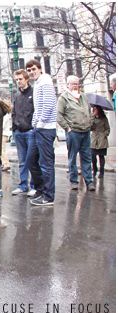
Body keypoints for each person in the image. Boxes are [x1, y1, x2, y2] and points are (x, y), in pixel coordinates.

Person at [26, 59, 57, 206]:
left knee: (46, 163)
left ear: (39, 69)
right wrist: (34, 124)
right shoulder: (37, 83)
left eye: (33, 69)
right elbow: (37, 107)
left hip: (46, 128)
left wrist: (40, 123)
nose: (31, 72)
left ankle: (49, 196)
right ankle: (40, 190)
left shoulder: (45, 81)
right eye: (29, 70)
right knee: (31, 160)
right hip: (38, 128)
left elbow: (49, 103)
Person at [57, 75, 96, 191]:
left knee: (87, 157)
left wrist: (89, 123)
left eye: (77, 83)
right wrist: (68, 128)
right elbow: (59, 115)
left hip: (85, 131)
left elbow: (89, 111)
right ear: (68, 84)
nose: (75, 86)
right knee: (72, 157)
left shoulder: (83, 96)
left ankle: (89, 182)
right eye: (73, 83)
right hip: (73, 132)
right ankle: (74, 181)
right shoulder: (64, 98)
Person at [10, 69, 38, 197]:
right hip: (19, 132)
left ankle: (34, 186)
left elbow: (36, 111)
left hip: (30, 131)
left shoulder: (34, 93)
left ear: (27, 79)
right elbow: (14, 112)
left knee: (32, 160)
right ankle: (23, 185)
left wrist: (33, 127)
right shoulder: (17, 95)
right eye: (17, 79)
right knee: (22, 161)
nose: (18, 82)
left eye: (20, 79)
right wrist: (15, 127)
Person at [90, 105, 110, 179]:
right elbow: (90, 127)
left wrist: (104, 135)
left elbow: (108, 129)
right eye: (94, 109)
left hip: (102, 140)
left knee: (101, 156)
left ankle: (101, 172)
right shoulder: (93, 118)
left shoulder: (104, 119)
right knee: (93, 156)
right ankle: (95, 170)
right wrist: (93, 117)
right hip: (94, 139)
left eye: (96, 109)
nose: (94, 110)